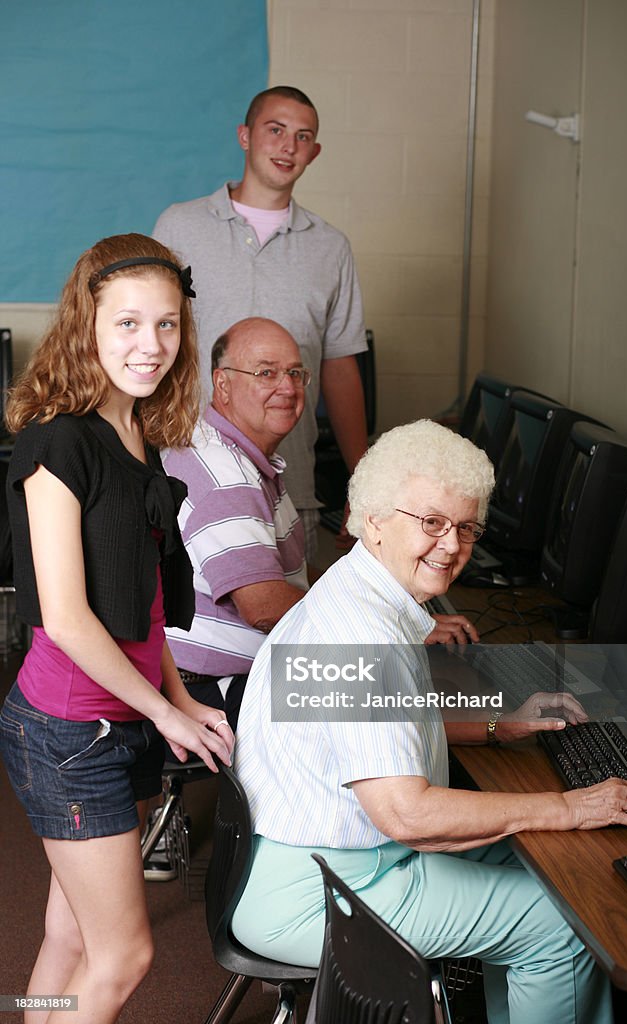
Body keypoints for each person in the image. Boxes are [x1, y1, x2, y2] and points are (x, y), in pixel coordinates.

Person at [230, 419, 627, 1024]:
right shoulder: (363, 634)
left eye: (466, 527)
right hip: (324, 889)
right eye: (432, 522)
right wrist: (571, 806)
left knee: (550, 864)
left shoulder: (354, 590)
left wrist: (500, 723)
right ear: (375, 517)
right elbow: (407, 815)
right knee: (564, 927)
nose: (452, 545)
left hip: (315, 859)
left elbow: (375, 718)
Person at [0, 234, 234, 1024]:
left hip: (120, 722)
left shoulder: (142, 436)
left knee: (68, 933)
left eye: (166, 325)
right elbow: (67, 618)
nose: (151, 345)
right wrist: (166, 710)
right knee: (126, 955)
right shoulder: (56, 443)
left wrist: (176, 698)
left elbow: (146, 610)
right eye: (128, 324)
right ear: (86, 325)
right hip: (67, 735)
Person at [153, 85, 368, 560]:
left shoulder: (330, 247)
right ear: (245, 136)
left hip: (293, 484)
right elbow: (148, 350)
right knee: (186, 628)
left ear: (314, 151)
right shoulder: (179, 227)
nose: (288, 146)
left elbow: (339, 366)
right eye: (276, 130)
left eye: (303, 136)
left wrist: (364, 480)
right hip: (183, 478)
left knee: (288, 623)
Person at [162, 316, 309, 730]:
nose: (288, 387)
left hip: (218, 670)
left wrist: (387, 602)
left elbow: (287, 578)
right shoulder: (228, 478)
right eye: (267, 373)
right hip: (215, 686)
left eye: (295, 373)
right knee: (394, 694)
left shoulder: (220, 444)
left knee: (406, 674)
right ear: (222, 384)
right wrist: (387, 623)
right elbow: (263, 608)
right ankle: (501, 726)